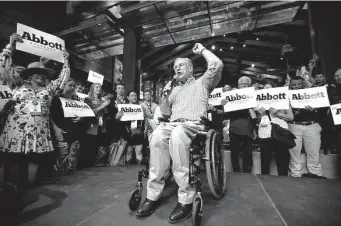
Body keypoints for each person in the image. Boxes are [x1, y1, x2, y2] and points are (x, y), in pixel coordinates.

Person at [136, 43, 223, 223]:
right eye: (175, 67)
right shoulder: (173, 90)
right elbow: (165, 112)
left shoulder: (203, 82)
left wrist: (203, 51)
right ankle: (152, 195)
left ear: (191, 69)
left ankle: (185, 199)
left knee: (177, 135)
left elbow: (217, 64)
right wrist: (166, 95)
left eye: (181, 65)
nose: (177, 68)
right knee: (157, 136)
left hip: (193, 125)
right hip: (172, 124)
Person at [0, 33, 70, 187]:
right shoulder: (17, 85)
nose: (40, 75)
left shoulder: (49, 89)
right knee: (14, 161)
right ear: (30, 75)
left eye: (43, 73)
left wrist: (66, 60)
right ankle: (10, 188)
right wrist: (10, 46)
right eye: (37, 73)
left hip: (39, 131)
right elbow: (4, 69)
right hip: (17, 130)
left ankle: (28, 187)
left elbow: (63, 79)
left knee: (35, 159)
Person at [288, 76, 324, 178]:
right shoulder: (287, 96)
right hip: (294, 125)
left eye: (299, 84)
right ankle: (295, 176)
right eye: (294, 85)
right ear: (290, 85)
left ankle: (316, 176)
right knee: (294, 153)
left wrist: (315, 110)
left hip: (312, 125)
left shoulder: (313, 94)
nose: (296, 86)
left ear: (303, 84)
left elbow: (323, 112)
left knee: (314, 153)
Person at [256, 82, 293, 176]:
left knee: (282, 159)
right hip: (264, 133)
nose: (267, 90)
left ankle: (283, 180)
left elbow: (291, 117)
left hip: (280, 132)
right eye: (265, 88)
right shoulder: (258, 102)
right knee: (265, 160)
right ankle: (264, 180)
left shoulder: (284, 100)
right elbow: (255, 119)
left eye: (269, 88)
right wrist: (260, 114)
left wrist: (278, 113)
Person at [125, 91, 144, 164]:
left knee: (139, 150)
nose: (134, 97)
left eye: (135, 95)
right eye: (132, 96)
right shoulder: (124, 107)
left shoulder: (140, 107)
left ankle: (139, 166)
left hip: (138, 131)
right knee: (129, 150)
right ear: (128, 97)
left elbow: (144, 119)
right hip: (128, 131)